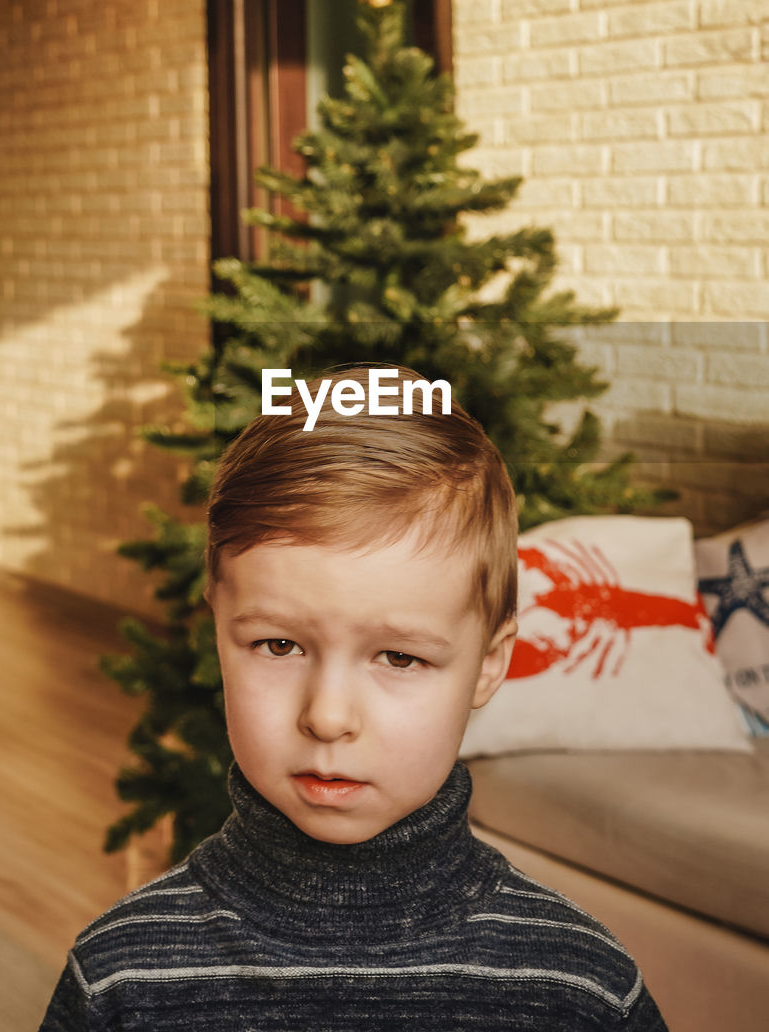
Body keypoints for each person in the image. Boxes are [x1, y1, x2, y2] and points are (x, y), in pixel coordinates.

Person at [39, 365, 668, 1030]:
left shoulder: (579, 985)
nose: (327, 717)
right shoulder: (121, 975)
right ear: (219, 631)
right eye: (278, 645)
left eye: (399, 656)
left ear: (488, 664)